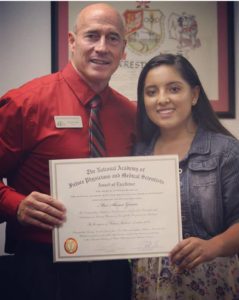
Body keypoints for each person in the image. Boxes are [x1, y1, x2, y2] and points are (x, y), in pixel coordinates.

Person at [0, 3, 136, 300]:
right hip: (41, 267)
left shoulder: (132, 115)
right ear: (72, 42)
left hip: (112, 268)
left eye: (112, 38)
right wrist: (15, 205)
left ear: (123, 50)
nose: (102, 47)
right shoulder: (26, 103)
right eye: (92, 36)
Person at [131, 53, 239, 299]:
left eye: (174, 88)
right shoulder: (137, 155)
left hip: (212, 284)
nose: (162, 99)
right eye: (151, 92)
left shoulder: (227, 151)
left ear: (194, 95)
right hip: (150, 284)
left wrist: (213, 246)